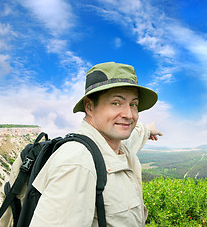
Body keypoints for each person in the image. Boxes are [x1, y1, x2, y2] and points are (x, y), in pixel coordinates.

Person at [29, 62, 162, 226]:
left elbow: (135, 135)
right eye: (116, 103)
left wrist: (149, 130)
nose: (129, 114)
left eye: (133, 104)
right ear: (89, 106)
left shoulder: (116, 146)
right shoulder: (77, 163)